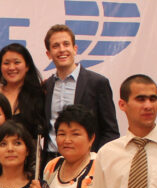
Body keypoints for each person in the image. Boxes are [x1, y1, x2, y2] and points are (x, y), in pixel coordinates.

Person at [42, 24, 119, 157]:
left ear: (75, 49)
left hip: (87, 162)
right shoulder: (46, 87)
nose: (62, 50)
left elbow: (110, 131)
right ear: (49, 54)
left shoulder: (98, 83)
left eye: (66, 44)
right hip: (50, 161)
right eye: (55, 46)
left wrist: (96, 161)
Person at [0, 43, 46, 140]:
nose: (11, 67)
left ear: (27, 66)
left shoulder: (39, 95)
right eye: (6, 63)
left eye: (17, 62)